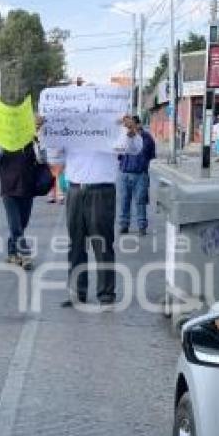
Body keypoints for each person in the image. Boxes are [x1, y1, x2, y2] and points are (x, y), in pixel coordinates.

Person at [60, 114, 143, 308]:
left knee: (103, 243)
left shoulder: (113, 125)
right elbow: (52, 156)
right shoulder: (69, 127)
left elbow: (135, 149)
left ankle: (106, 294)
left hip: (101, 190)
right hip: (75, 189)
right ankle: (77, 293)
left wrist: (130, 131)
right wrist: (43, 133)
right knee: (76, 244)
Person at [0, 139, 38, 269]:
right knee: (15, 224)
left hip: (27, 187)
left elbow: (43, 159)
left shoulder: (32, 141)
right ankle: (25, 255)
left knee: (22, 223)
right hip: (9, 189)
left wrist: (40, 143)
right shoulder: (3, 142)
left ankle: (12, 253)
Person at [118, 115, 155, 235]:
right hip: (125, 173)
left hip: (140, 174)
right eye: (128, 126)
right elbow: (118, 154)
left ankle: (142, 226)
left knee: (141, 201)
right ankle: (124, 225)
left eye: (132, 125)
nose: (129, 128)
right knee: (124, 200)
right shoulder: (123, 137)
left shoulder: (147, 138)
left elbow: (150, 155)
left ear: (138, 125)